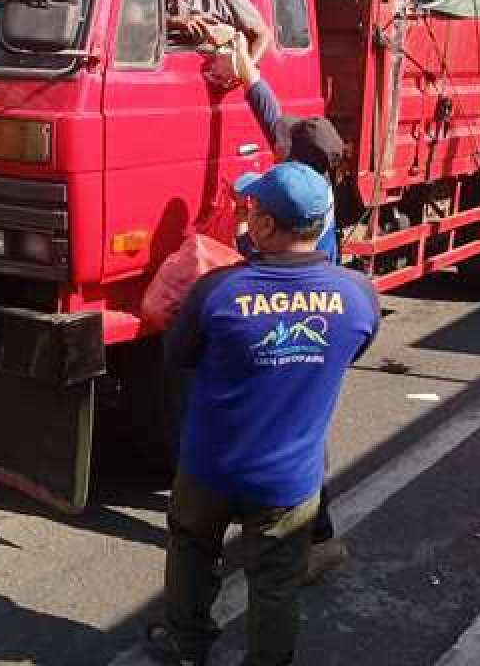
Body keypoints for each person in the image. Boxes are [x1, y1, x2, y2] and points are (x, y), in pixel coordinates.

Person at [147, 162, 381, 666]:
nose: (247, 216)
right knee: (277, 586)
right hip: (290, 477)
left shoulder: (218, 292)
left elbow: (177, 357)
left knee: (192, 555)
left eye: (253, 209)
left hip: (211, 465)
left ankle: (187, 650)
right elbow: (348, 354)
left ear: (268, 226)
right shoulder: (360, 297)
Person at [228, 29, 353, 580]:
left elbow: (268, 258)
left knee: (296, 447)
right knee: (303, 438)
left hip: (292, 343)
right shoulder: (318, 193)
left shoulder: (306, 229)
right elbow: (276, 120)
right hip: (313, 350)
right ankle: (306, 532)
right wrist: (249, 74)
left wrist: (240, 238)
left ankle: (318, 541)